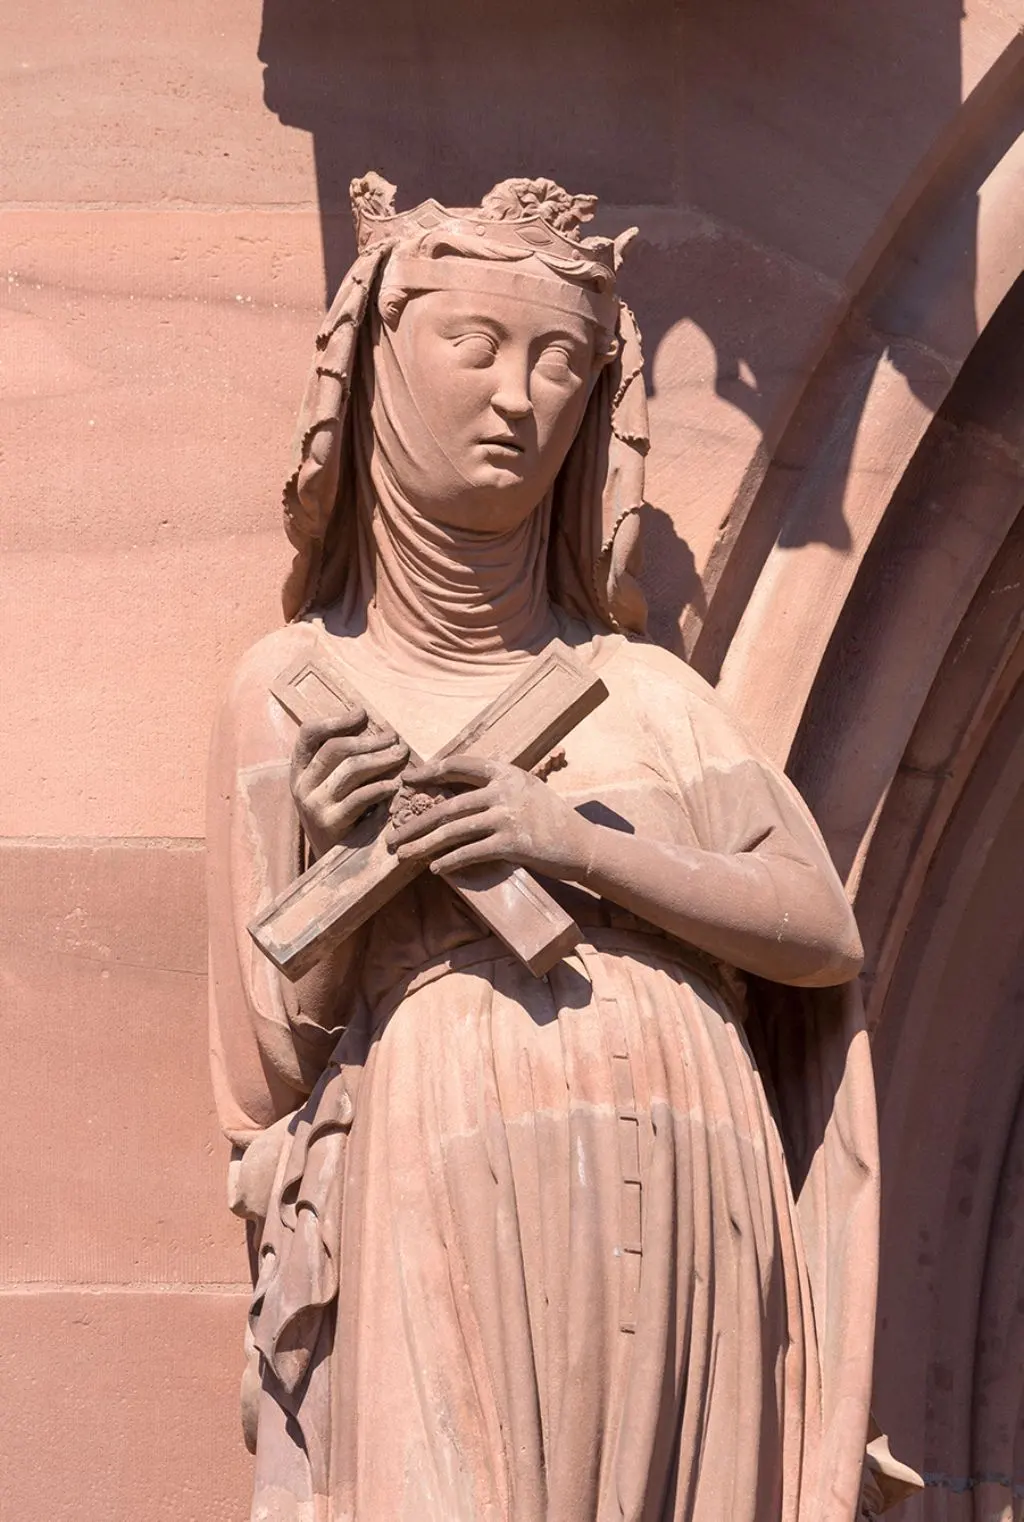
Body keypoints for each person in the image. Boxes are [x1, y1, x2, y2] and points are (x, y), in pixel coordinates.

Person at [207, 174, 880, 1522]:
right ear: (384, 367)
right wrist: (335, 867)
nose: (520, 398)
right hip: (436, 1169)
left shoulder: (647, 694)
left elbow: (820, 926)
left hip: (686, 1182)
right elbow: (270, 1065)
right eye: (478, 347)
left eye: (562, 362)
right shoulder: (290, 686)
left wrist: (571, 839)